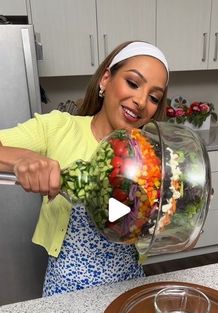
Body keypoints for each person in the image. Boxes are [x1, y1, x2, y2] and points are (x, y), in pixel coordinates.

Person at [0, 40, 169, 296]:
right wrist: (21, 158)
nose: (141, 101)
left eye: (154, 97)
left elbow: (157, 228)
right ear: (105, 79)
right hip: (65, 290)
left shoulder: (151, 157)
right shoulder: (58, 128)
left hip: (128, 285)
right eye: (133, 83)